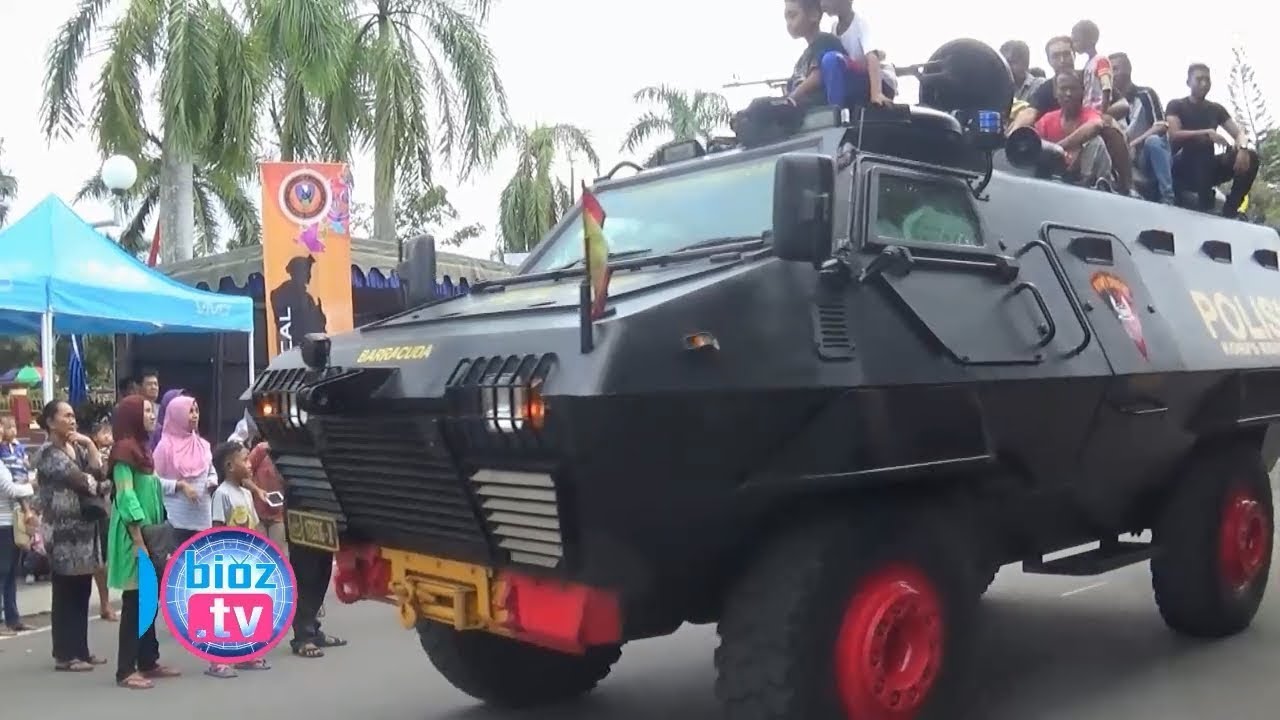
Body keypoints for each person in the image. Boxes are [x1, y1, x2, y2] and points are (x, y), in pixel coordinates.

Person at [106, 395, 182, 689]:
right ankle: (125, 670)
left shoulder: (143, 450)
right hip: (132, 534)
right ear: (133, 416)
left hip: (150, 532)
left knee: (149, 595)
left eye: (153, 410)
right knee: (135, 600)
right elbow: (126, 497)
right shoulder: (123, 452)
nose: (152, 415)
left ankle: (148, 660)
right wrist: (138, 540)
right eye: (147, 411)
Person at [34, 400, 110, 671]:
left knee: (81, 590)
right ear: (50, 422)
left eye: (73, 415)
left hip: (84, 529)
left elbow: (99, 473)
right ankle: (65, 654)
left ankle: (81, 650)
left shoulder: (76, 448)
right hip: (62, 533)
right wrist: (102, 484)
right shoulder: (49, 454)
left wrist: (90, 446)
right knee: (66, 592)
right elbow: (85, 482)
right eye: (66, 416)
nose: (72, 420)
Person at [197, 441, 272, 677]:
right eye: (245, 459)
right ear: (230, 466)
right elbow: (218, 528)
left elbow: (254, 526)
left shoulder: (247, 493)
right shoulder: (222, 494)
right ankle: (217, 661)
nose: (249, 465)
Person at [1166, 63, 1261, 217]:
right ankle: (1204, 203)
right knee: (1202, 143)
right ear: (1188, 82)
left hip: (1207, 167)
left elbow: (1239, 133)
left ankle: (1230, 209)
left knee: (1251, 157)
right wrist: (1207, 133)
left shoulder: (1216, 109)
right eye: (1199, 79)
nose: (1204, 83)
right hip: (1181, 168)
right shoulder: (1176, 105)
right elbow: (1174, 134)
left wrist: (1243, 149)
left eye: (1207, 80)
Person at [1109, 52, 1174, 204]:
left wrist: (1133, 144)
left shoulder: (1145, 94)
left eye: (1116, 69)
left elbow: (1161, 126)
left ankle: (1168, 196)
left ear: (1128, 70)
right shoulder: (1109, 102)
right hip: (1123, 160)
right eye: (1109, 71)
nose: (1112, 75)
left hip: (1145, 156)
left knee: (1154, 141)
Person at [1035, 72, 1112, 186]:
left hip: (1088, 176)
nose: (1068, 93)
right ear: (1056, 93)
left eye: (1073, 89)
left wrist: (1058, 147)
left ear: (1082, 92)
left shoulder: (1089, 113)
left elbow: (1096, 125)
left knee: (1095, 141)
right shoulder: (1046, 120)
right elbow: (1034, 142)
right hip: (1055, 175)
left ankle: (1091, 183)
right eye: (1063, 89)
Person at [782, 0, 859, 109]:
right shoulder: (803, 58)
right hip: (804, 112)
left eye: (792, 16)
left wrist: (792, 97)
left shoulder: (826, 41)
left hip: (819, 110)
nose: (788, 23)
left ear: (813, 15)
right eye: (786, 18)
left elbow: (818, 75)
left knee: (760, 107)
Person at [819, 0, 896, 105]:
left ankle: (837, 107)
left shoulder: (860, 23)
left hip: (880, 81)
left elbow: (872, 57)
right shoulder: (834, 27)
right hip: (861, 75)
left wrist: (876, 93)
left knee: (831, 58)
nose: (822, 4)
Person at [0, 426, 36, 636]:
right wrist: (31, 485)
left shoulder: (5, 460)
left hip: (10, 520)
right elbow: (10, 489)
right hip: (2, 523)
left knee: (11, 573)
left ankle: (13, 619)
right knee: (3, 572)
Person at [89, 419, 119, 621]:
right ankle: (105, 602)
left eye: (110, 433)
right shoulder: (91, 456)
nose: (108, 437)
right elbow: (98, 481)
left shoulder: (117, 453)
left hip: (114, 509)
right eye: (104, 433)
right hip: (99, 511)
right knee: (101, 560)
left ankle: (107, 602)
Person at [269, 255, 328, 355]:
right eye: (307, 271)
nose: (310, 275)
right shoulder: (284, 294)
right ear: (297, 273)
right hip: (297, 351)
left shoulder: (306, 297)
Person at [249, 441, 287, 550]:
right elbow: (245, 476)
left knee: (278, 552)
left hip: (279, 514)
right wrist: (257, 490)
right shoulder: (262, 450)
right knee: (258, 552)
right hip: (257, 513)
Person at [1071, 20, 1113, 112]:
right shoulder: (1088, 64)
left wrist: (1103, 111)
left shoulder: (1100, 60)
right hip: (1088, 110)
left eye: (1076, 41)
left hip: (1098, 110)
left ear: (1091, 40)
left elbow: (1106, 87)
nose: (1074, 45)